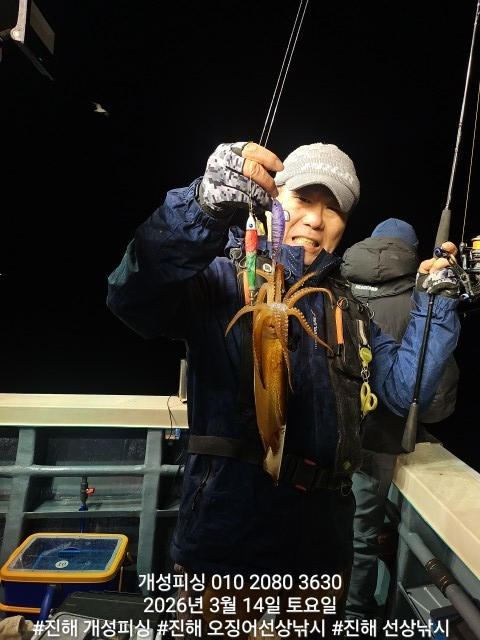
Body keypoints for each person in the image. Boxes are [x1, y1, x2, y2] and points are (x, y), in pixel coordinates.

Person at [106, 141, 461, 638]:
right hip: (225, 548)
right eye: (303, 199)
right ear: (274, 201)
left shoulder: (349, 311)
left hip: (321, 553)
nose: (316, 219)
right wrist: (201, 207)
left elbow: (406, 390)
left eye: (333, 208)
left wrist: (433, 305)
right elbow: (130, 295)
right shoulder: (221, 279)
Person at [340, 218, 459, 623]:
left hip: (327, 439)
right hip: (380, 441)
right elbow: (432, 401)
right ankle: (354, 616)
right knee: (361, 537)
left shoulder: (336, 287)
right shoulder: (420, 298)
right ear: (410, 252)